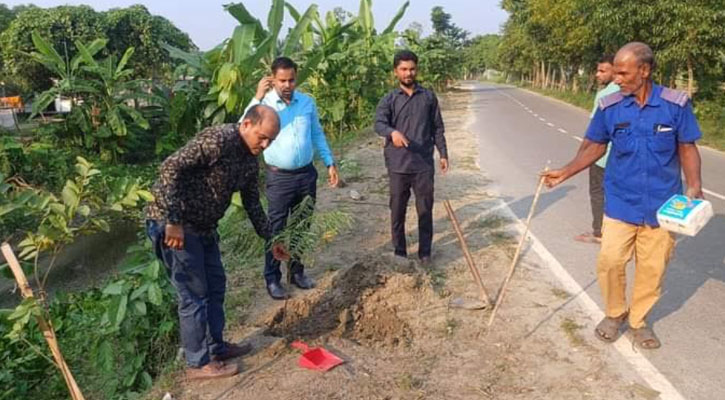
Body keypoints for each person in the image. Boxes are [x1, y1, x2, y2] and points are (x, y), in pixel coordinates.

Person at [542, 42, 704, 349]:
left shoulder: (675, 104)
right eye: (615, 72)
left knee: (652, 267)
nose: (617, 78)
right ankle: (615, 313)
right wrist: (565, 171)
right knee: (610, 260)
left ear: (644, 70)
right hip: (620, 202)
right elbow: (594, 145)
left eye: (623, 72)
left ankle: (638, 321)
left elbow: (687, 147)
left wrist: (694, 186)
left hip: (662, 205)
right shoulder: (610, 106)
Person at [146, 105, 289, 380]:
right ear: (246, 124)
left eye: (271, 140)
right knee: (194, 295)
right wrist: (172, 220)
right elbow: (169, 167)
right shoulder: (217, 140)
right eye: (262, 137)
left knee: (215, 287)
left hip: (203, 228)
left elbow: (252, 204)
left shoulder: (249, 161)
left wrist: (272, 238)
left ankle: (216, 347)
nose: (266, 144)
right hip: (176, 228)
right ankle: (197, 363)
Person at [244, 56, 339, 300]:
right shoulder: (265, 105)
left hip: (306, 174)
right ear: (273, 80)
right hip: (279, 178)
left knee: (301, 226)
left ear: (296, 78)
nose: (287, 85)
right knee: (275, 229)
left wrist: (329, 161)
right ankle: (272, 278)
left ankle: (297, 272)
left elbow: (317, 133)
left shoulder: (307, 103)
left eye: (291, 80)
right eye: (282, 80)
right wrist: (257, 97)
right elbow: (242, 128)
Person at [374, 50, 449, 267]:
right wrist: (392, 133)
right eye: (404, 69)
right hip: (397, 165)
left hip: (423, 164)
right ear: (396, 71)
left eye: (412, 69)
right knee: (397, 210)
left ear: (417, 69)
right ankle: (400, 252)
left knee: (425, 209)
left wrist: (443, 153)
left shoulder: (428, 97)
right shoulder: (389, 99)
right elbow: (378, 123)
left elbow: (438, 128)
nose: (408, 73)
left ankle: (425, 253)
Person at [574, 54, 620, 244]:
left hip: (602, 156)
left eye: (603, 71)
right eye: (598, 70)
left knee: (598, 192)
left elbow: (594, 131)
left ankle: (599, 232)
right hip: (621, 158)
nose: (597, 74)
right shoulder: (634, 92)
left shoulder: (605, 95)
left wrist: (580, 157)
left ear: (615, 71)